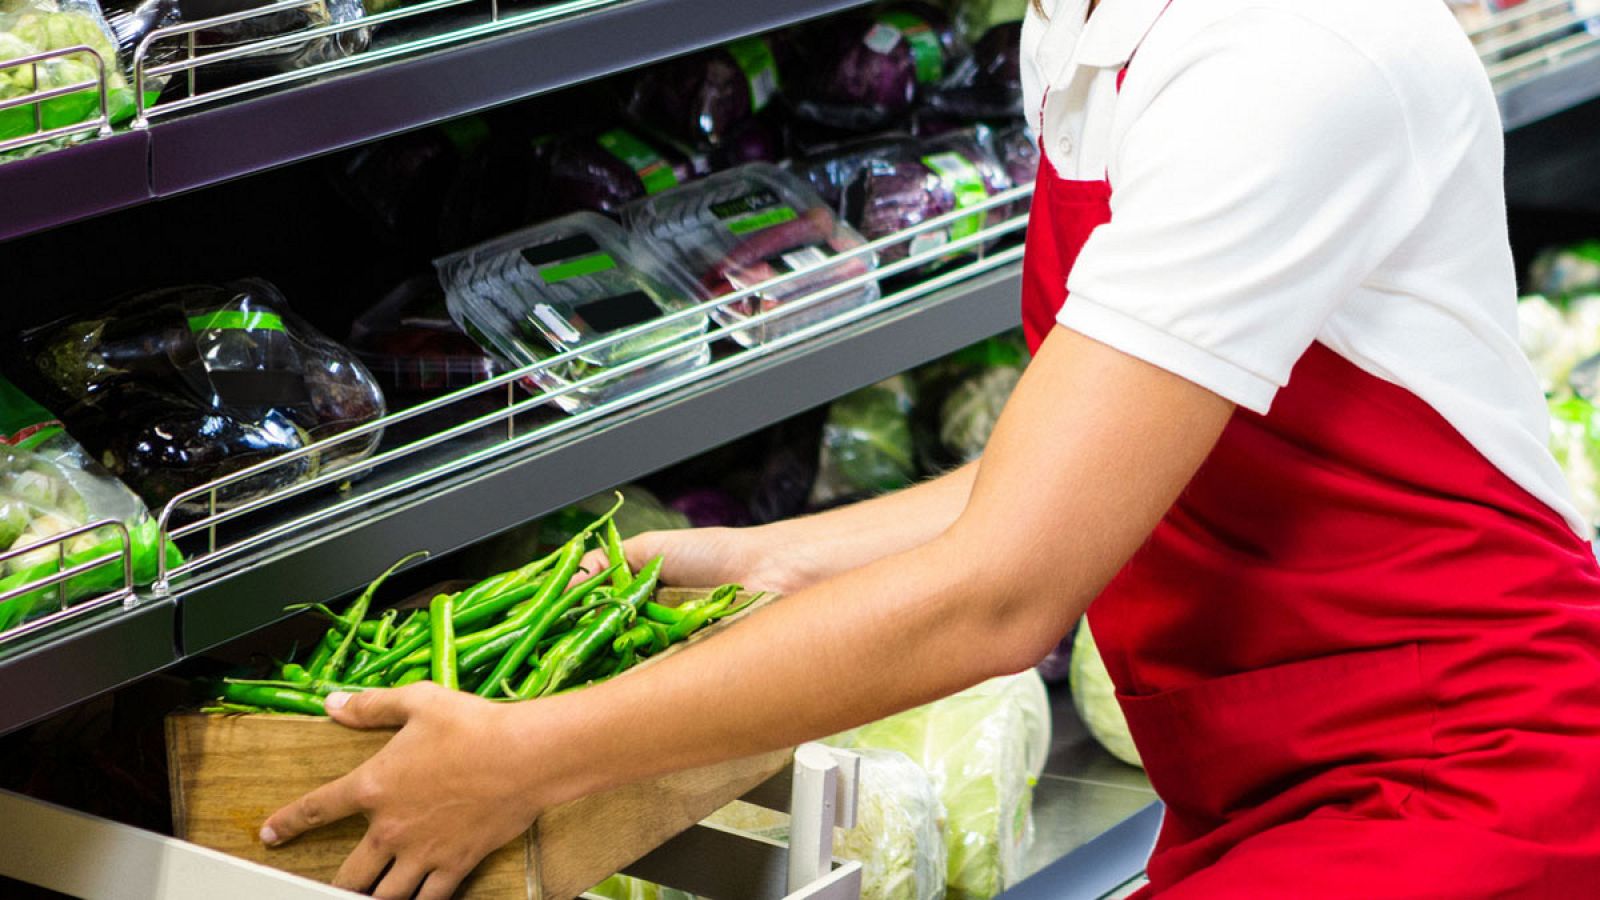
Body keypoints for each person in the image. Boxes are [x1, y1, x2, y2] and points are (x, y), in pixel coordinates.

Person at [262, 0, 1600, 896]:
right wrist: (761, 556)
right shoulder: (1083, 32)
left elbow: (1001, 590)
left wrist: (539, 749)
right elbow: (1076, 468)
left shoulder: (1295, 54)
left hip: (1456, 773)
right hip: (1266, 765)